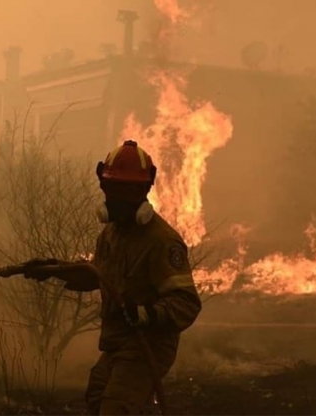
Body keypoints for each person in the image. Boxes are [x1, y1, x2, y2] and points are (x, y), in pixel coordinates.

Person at [26, 140, 202, 415]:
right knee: (97, 399)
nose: (115, 198)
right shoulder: (111, 234)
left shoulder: (161, 241)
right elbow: (97, 275)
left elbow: (187, 304)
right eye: (110, 188)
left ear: (143, 191)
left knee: (115, 408)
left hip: (148, 347)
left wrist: (143, 313)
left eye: (124, 190)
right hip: (117, 342)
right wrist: (53, 270)